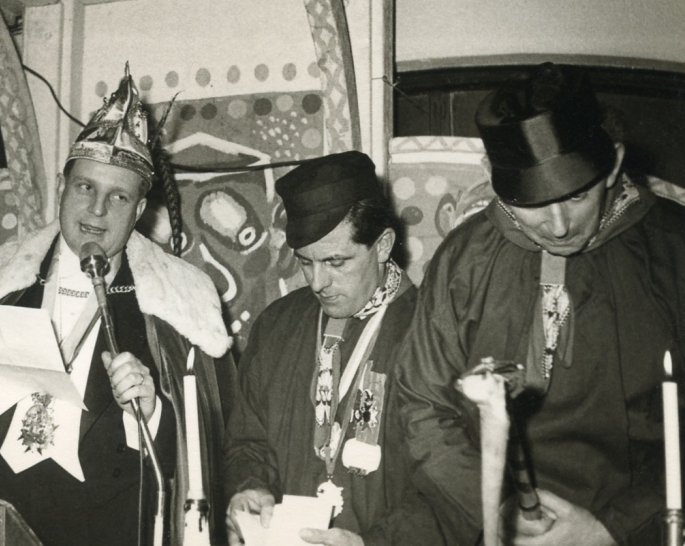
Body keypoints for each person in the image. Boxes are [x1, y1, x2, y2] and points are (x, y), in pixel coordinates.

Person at [0, 69, 235, 546]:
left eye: (119, 196)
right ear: (62, 188)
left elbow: (208, 453)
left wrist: (151, 413)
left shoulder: (178, 306)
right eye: (85, 188)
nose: (97, 210)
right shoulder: (1, 280)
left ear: (139, 211)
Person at [394, 62, 685, 546]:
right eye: (532, 204)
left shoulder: (674, 248)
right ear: (490, 177)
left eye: (578, 196)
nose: (559, 226)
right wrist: (496, 509)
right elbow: (423, 404)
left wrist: (611, 529)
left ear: (613, 164)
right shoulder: (464, 257)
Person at [223, 152, 442, 546]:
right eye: (307, 263)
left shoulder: (434, 334)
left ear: (382, 245)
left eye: (336, 262)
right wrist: (249, 487)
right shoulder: (277, 326)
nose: (318, 283)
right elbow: (247, 441)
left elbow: (448, 490)